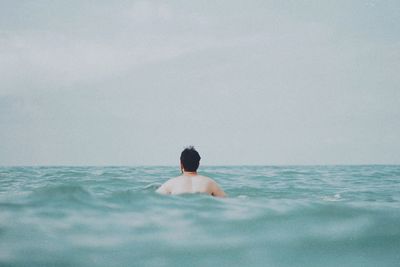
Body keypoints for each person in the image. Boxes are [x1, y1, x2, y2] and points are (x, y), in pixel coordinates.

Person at [156, 146, 226, 197]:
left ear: (181, 164)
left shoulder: (171, 184)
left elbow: (156, 198)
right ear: (198, 164)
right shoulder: (210, 183)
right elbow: (225, 199)